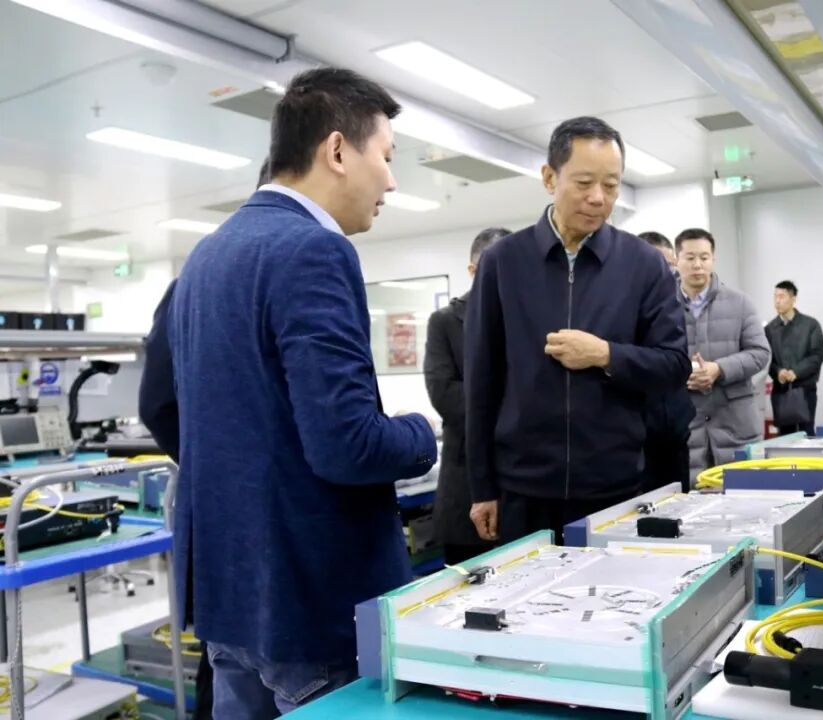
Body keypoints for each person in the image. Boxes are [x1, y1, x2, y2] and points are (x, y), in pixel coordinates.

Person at [146, 68, 438, 719]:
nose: (391, 181)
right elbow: (348, 445)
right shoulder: (313, 250)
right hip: (312, 605)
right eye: (387, 156)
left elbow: (166, 409)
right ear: (337, 151)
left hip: (228, 596)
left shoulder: (205, 256)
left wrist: (248, 484)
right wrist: (422, 434)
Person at [466, 116, 690, 544]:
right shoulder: (503, 263)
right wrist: (482, 486)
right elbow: (482, 381)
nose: (598, 198)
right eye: (584, 183)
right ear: (549, 177)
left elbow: (674, 365)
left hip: (614, 487)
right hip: (523, 489)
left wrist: (606, 354)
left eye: (611, 185)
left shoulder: (643, 264)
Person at [140, 156, 272, 720]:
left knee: (228, 667)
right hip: (279, 532)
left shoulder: (192, 282)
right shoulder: (294, 268)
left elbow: (155, 405)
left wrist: (214, 462)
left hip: (219, 521)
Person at [424, 227, 510, 565]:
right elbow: (445, 394)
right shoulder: (445, 322)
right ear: (473, 270)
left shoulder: (531, 317)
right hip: (467, 481)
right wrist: (515, 410)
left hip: (523, 478)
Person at [675, 228, 771, 482]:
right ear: (677, 260)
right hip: (684, 424)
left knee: (742, 492)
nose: (697, 265)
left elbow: (760, 353)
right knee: (689, 498)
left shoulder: (740, 303)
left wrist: (719, 369)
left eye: (704, 257)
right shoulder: (661, 305)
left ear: (713, 259)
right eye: (690, 257)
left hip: (734, 422)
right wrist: (680, 373)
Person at [638, 231, 695, 492]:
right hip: (636, 436)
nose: (669, 275)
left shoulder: (677, 306)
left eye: (672, 266)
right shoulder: (620, 309)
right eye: (661, 266)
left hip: (674, 429)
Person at [765, 280, 823, 435]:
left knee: (807, 432)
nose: (777, 301)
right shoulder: (770, 329)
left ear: (793, 299)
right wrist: (778, 372)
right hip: (781, 391)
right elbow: (766, 359)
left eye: (782, 296)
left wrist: (796, 372)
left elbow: (817, 354)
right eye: (775, 296)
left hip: (805, 389)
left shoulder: (810, 325)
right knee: (785, 436)